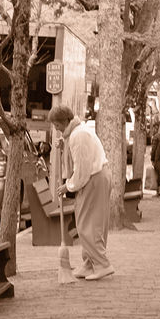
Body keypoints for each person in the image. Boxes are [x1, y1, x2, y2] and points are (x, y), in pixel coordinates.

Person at [49, 104, 114, 281]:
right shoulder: (76, 133)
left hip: (93, 179)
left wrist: (68, 186)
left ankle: (102, 264)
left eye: (57, 125)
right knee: (90, 222)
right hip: (95, 178)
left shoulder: (78, 136)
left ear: (64, 121)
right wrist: (64, 144)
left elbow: (82, 170)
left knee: (87, 225)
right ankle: (89, 263)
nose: (56, 129)